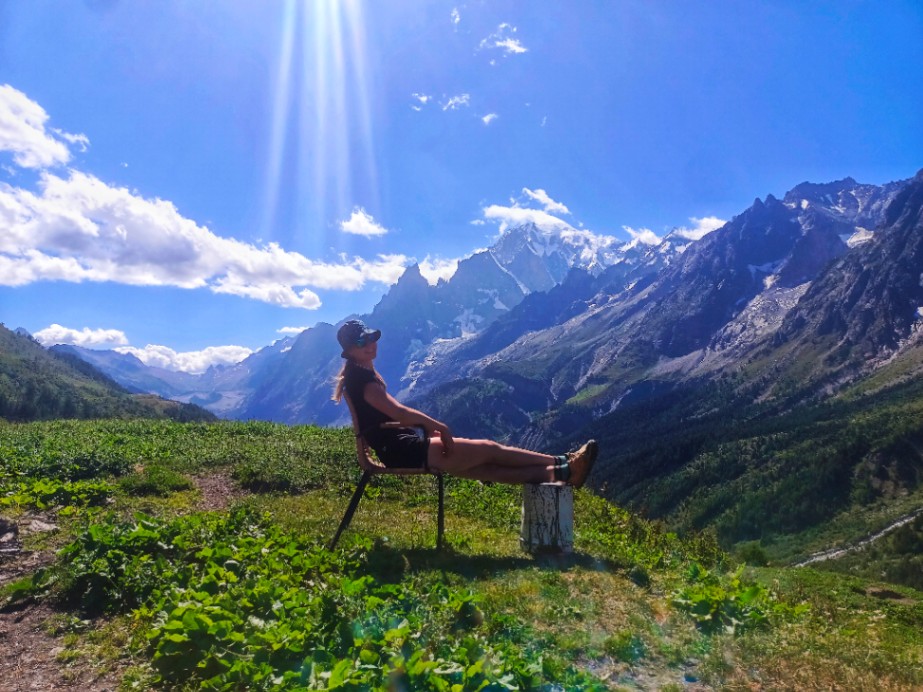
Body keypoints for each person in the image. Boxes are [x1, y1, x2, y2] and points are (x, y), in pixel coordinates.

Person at [332, 319, 597, 487]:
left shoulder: (359, 375)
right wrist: (440, 427)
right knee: (490, 449)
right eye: (361, 342)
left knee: (489, 468)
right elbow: (398, 412)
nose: (369, 344)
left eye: (370, 338)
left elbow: (379, 418)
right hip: (406, 451)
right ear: (350, 350)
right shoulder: (363, 381)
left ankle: (563, 473)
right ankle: (564, 462)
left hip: (400, 448)